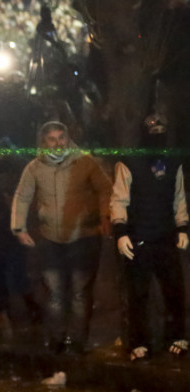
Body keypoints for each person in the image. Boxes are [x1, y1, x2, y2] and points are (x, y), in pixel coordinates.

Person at [10, 120, 112, 354]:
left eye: (61, 138)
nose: (58, 143)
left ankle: (77, 341)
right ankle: (56, 339)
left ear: (68, 138)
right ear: (43, 142)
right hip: (51, 238)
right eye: (52, 139)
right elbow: (22, 196)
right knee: (54, 293)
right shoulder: (35, 168)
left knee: (78, 292)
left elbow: (105, 188)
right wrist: (19, 227)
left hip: (83, 237)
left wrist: (105, 215)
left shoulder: (84, 163)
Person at [110, 114, 189, 361]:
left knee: (174, 291)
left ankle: (176, 336)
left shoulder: (172, 160)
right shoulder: (129, 162)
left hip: (165, 236)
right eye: (153, 130)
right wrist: (120, 232)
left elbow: (179, 197)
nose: (158, 134)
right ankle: (138, 341)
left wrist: (183, 227)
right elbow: (119, 199)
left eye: (162, 130)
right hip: (139, 238)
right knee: (138, 295)